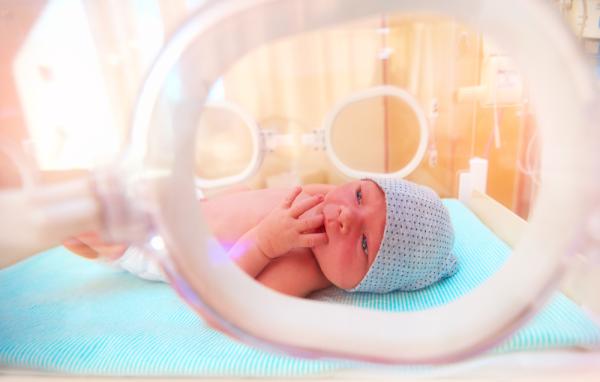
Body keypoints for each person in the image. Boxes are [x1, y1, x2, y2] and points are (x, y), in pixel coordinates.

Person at [64, 178, 458, 297]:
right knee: (89, 191)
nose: (344, 216)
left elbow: (226, 293)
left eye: (365, 243)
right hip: (187, 203)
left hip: (163, 245)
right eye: (359, 196)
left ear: (363, 284)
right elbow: (260, 197)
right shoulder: (322, 197)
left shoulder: (304, 267)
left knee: (71, 215)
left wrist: (264, 243)